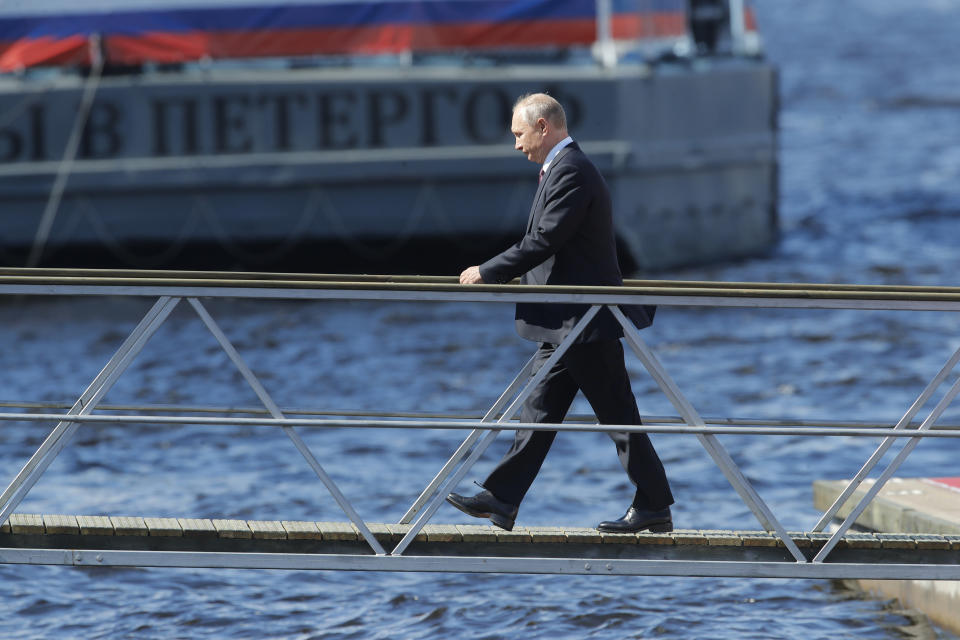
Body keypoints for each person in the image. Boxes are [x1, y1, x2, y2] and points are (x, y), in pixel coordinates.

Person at [447, 93, 675, 533]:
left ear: (543, 127)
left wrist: (487, 271)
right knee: (541, 409)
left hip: (582, 320)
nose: (516, 145)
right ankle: (504, 499)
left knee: (614, 414)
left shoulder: (571, 170)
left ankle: (653, 504)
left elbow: (544, 241)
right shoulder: (564, 169)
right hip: (569, 319)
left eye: (519, 134)